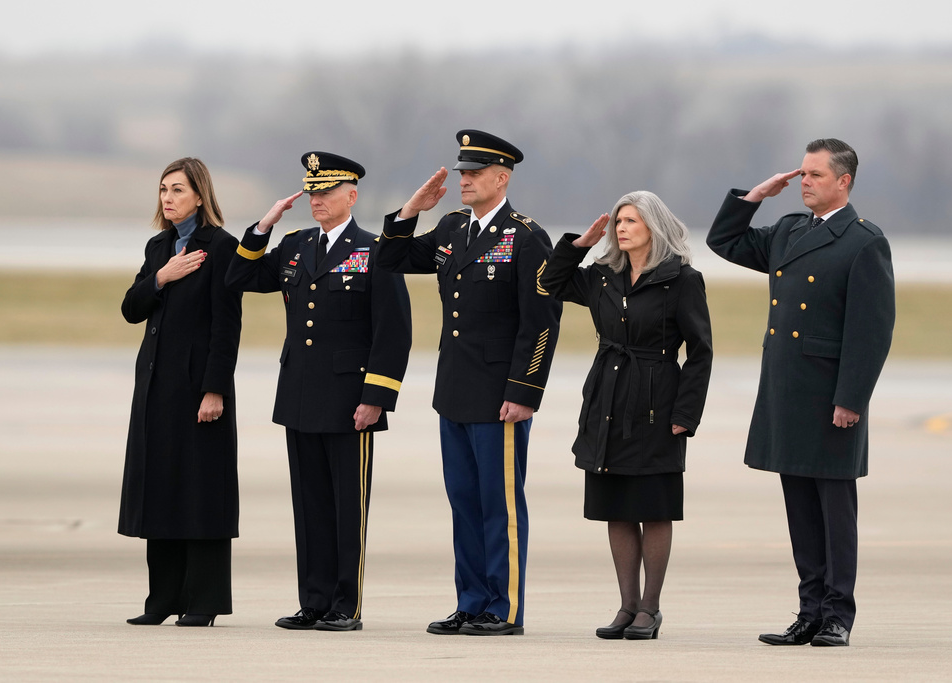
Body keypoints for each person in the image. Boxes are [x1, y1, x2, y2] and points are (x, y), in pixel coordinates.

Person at [706, 138, 895, 647]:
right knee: (800, 510)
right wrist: (754, 198)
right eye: (802, 173)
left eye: (814, 174)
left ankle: (837, 615)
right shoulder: (788, 230)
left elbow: (871, 332)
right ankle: (808, 611)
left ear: (843, 181)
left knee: (835, 510)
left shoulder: (863, 241)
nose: (804, 181)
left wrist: (851, 399)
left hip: (831, 396)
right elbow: (724, 242)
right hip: (788, 392)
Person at [377, 129, 562, 636]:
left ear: (502, 178)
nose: (464, 180)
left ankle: (503, 608)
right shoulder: (452, 227)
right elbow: (388, 260)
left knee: (499, 508)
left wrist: (524, 392)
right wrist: (411, 209)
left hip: (499, 395)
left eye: (475, 173)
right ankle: (471, 602)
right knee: (463, 503)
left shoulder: (526, 237)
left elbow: (541, 321)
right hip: (454, 390)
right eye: (462, 172)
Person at [225, 151, 411, 632]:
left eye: (326, 193)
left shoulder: (375, 250)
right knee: (309, 506)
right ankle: (314, 601)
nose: (316, 200)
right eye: (312, 193)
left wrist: (376, 397)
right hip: (301, 394)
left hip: (351, 400)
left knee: (347, 507)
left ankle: (346, 605)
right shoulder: (293, 244)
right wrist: (264, 225)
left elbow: (393, 333)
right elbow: (239, 277)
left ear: (351, 196)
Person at [539, 191, 712, 640]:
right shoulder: (602, 276)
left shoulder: (682, 280)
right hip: (607, 400)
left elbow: (700, 351)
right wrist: (577, 245)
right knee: (615, 505)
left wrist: (686, 413)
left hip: (657, 402)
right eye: (618, 221)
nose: (621, 228)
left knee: (653, 507)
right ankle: (626, 606)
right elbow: (551, 283)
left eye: (630, 221)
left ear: (653, 227)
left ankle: (650, 609)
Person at [119, 157, 243, 627]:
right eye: (163, 190)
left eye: (177, 190)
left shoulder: (222, 247)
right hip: (156, 387)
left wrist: (215, 390)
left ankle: (204, 602)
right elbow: (131, 308)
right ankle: (162, 600)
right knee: (162, 487)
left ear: (200, 195)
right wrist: (162, 277)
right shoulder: (159, 247)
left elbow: (226, 328)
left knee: (201, 491)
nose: (167, 198)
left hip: (198, 391)